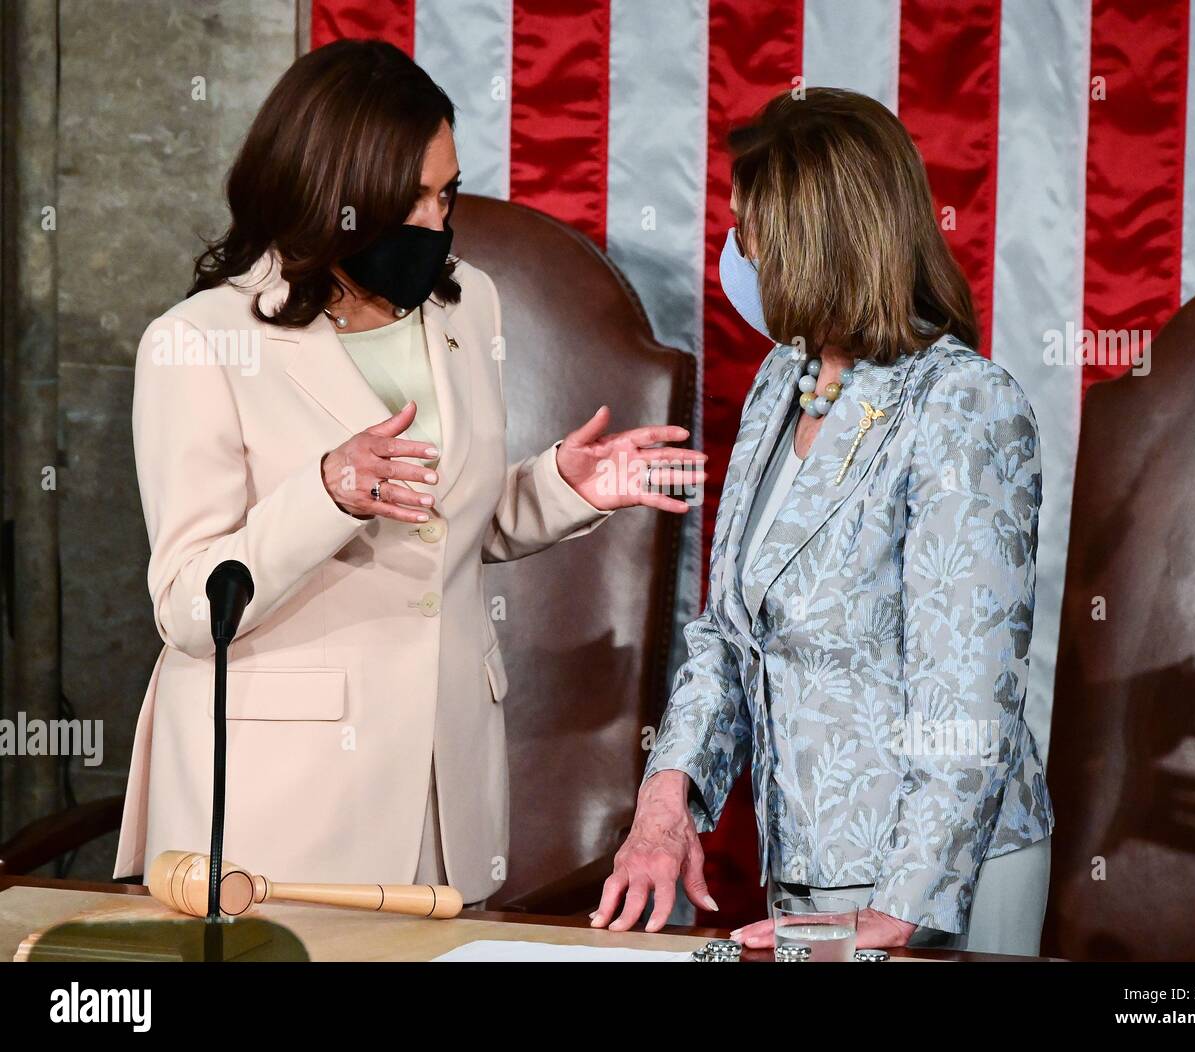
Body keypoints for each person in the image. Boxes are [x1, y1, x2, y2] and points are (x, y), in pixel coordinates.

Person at [113, 40, 704, 907]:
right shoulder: (198, 343)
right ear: (333, 195)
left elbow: (442, 524)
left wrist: (562, 489)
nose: (436, 222)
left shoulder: (468, 302)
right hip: (278, 809)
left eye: (447, 193)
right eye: (411, 200)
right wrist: (325, 492)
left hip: (447, 789)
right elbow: (190, 607)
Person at [592, 88, 1053, 955]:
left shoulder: (963, 404)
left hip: (935, 884)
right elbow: (729, 631)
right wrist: (667, 802)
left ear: (808, 240)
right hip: (806, 866)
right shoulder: (783, 381)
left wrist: (899, 910)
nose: (736, 251)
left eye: (748, 228)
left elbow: (970, 696)